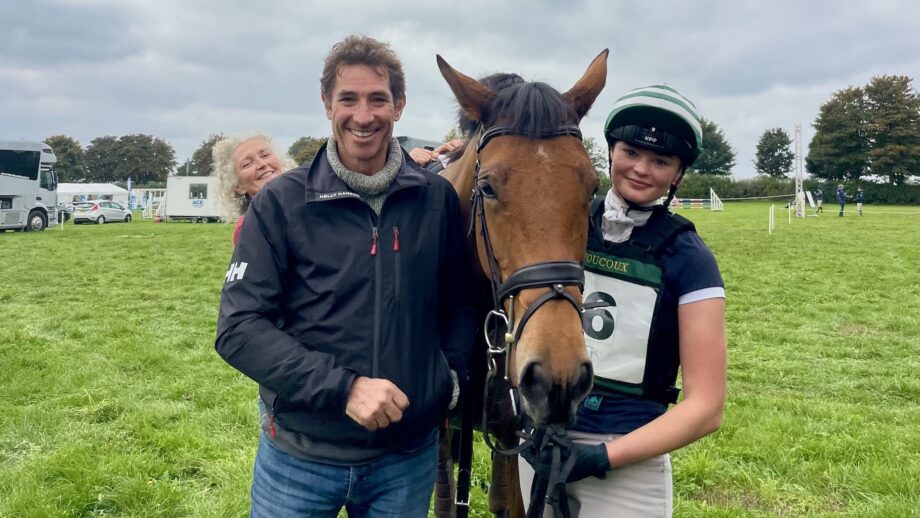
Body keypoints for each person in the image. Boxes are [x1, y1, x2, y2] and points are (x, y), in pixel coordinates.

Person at [215, 35, 476, 517]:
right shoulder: (281, 203)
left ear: (399, 106)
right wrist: (346, 389)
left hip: (405, 460)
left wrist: (451, 381)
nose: (363, 115)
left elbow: (459, 304)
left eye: (378, 99)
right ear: (326, 105)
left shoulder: (435, 199)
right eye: (348, 100)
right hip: (300, 457)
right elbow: (239, 329)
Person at [519, 84, 727, 517]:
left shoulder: (690, 259)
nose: (641, 169)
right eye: (631, 151)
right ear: (611, 150)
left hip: (626, 460)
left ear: (678, 175)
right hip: (540, 443)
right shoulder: (565, 222)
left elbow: (706, 407)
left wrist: (603, 459)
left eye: (661, 161)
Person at [213, 132, 297, 246]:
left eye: (265, 155)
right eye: (247, 164)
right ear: (238, 186)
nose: (262, 164)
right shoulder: (248, 227)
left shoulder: (311, 201)